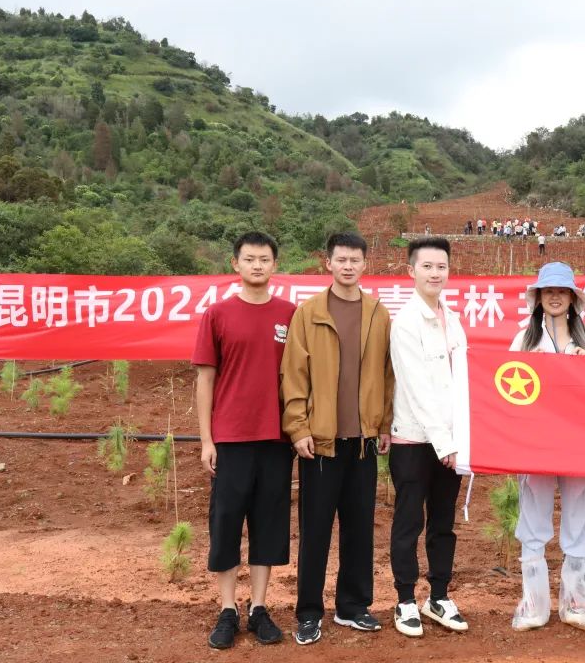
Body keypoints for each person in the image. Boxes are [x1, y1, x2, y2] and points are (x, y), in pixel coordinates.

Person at [280, 232, 396, 645]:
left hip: (363, 441)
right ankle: (309, 612)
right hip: (320, 443)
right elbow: (294, 374)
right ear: (327, 263)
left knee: (359, 527)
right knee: (315, 530)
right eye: (341, 260)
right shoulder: (309, 313)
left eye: (355, 260)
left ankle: (353, 606)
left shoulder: (377, 313)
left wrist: (384, 425)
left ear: (365, 264)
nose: (348, 266)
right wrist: (298, 427)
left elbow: (387, 374)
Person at [192, 231, 297, 650]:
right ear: (235, 264)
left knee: (268, 523)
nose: (257, 265)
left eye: (264, 259)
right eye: (249, 259)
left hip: (276, 438)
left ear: (275, 265)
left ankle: (258, 608)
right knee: (226, 522)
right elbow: (205, 380)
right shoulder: (217, 314)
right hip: (231, 439)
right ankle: (227, 609)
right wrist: (207, 440)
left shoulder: (290, 314)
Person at [509, 262, 585, 632]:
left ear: (572, 298)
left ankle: (577, 600)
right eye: (548, 291)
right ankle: (534, 603)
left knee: (578, 513)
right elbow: (507, 384)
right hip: (535, 442)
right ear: (538, 297)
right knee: (533, 514)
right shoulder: (524, 339)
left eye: (561, 291)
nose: (554, 296)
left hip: (578, 440)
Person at [389, 236, 470, 637]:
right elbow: (417, 388)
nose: (435, 273)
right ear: (411, 271)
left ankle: (438, 596)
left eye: (441, 267)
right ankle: (405, 600)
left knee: (443, 522)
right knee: (409, 521)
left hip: (450, 442)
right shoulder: (405, 322)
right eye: (427, 266)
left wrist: (459, 438)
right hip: (415, 441)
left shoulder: (452, 318)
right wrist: (445, 443)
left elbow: (462, 381)